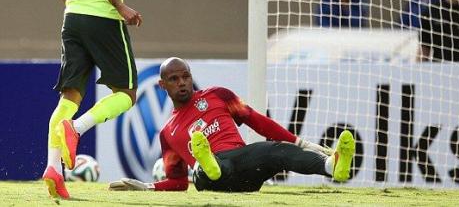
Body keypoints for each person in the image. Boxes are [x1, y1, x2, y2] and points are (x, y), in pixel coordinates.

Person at [109, 58, 355, 193]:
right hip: (211, 180)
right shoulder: (167, 132)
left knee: (277, 150)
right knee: (205, 170)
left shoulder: (218, 95)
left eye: (185, 76)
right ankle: (208, 163)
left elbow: (256, 120)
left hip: (244, 168)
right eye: (174, 79)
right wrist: (147, 187)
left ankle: (332, 166)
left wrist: (299, 142)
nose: (182, 83)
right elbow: (179, 182)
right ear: (162, 86)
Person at [42, 0, 142, 199]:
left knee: (69, 97)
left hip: (71, 19)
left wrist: (80, 10)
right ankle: (77, 129)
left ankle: (53, 168)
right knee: (126, 93)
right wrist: (121, 6)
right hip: (103, 19)